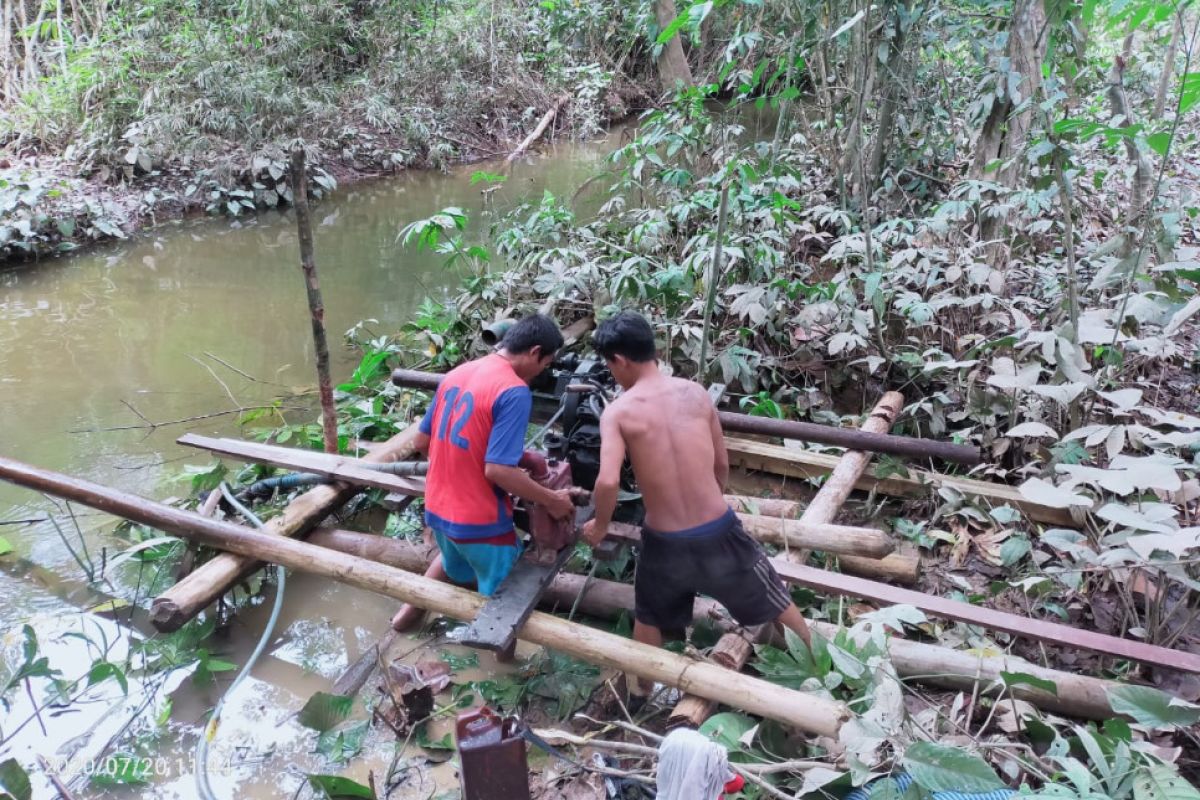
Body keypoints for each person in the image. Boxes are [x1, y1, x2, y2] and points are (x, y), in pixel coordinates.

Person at [581, 311, 812, 694]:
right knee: (775, 597)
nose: (612, 373)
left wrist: (600, 526)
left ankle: (642, 690)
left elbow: (607, 481)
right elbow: (721, 464)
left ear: (619, 360)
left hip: (665, 542)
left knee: (649, 615)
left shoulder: (619, 411)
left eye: (610, 365)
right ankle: (816, 665)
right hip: (718, 530)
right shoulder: (695, 393)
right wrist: (709, 505)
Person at [392, 314, 576, 631]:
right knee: (504, 610)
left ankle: (402, 622)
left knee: (451, 563)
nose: (542, 371)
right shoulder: (514, 391)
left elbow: (423, 441)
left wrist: (495, 460)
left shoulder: (459, 372)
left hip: (437, 509)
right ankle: (505, 665)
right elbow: (498, 471)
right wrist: (551, 500)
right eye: (545, 363)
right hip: (480, 523)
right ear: (535, 352)